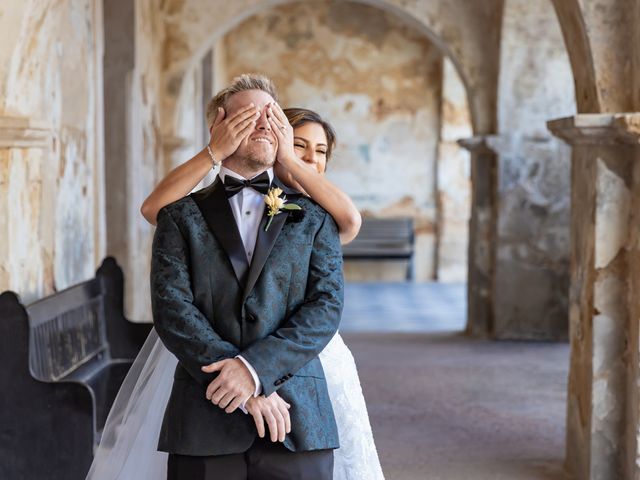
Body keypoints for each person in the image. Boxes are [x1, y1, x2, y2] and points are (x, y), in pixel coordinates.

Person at [87, 74, 384, 480]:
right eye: (248, 116)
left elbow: (326, 305)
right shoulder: (178, 217)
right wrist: (238, 378)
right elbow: (173, 308)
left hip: (297, 410)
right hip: (204, 415)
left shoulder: (317, 218)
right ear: (219, 126)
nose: (262, 123)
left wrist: (255, 372)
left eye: (271, 116)